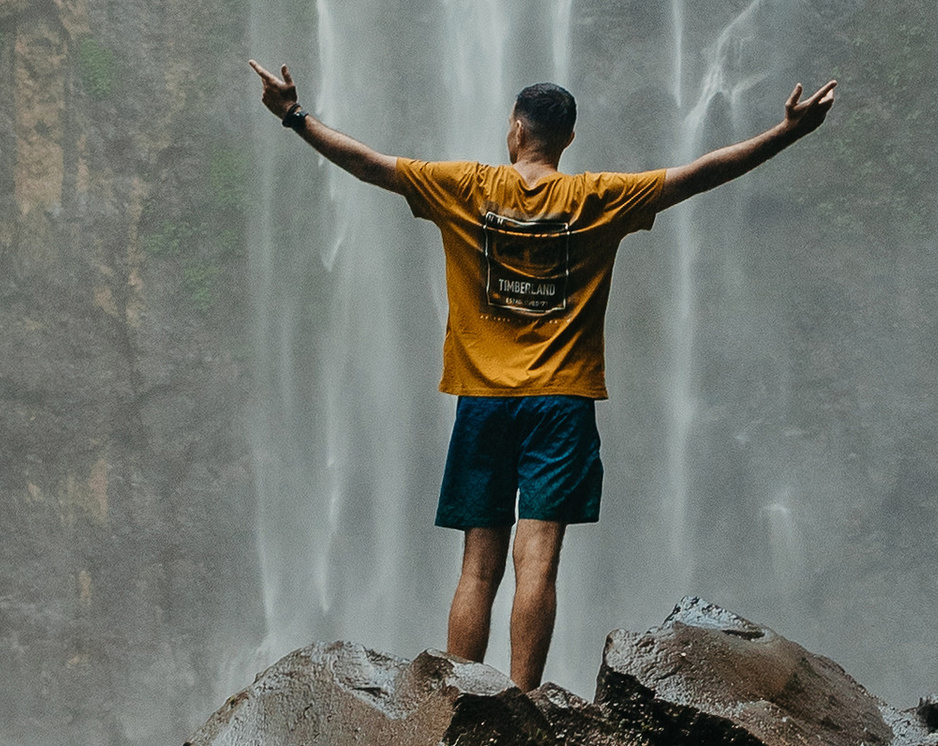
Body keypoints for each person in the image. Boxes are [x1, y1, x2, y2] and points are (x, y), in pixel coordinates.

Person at [246, 59, 837, 691]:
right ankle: (522, 703)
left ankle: (457, 701)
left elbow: (369, 165)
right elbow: (700, 174)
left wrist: (294, 115)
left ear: (515, 129)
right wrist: (786, 133)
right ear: (568, 138)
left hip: (483, 399)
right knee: (538, 566)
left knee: (477, 568)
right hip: (561, 402)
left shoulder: (464, 187)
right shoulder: (599, 198)